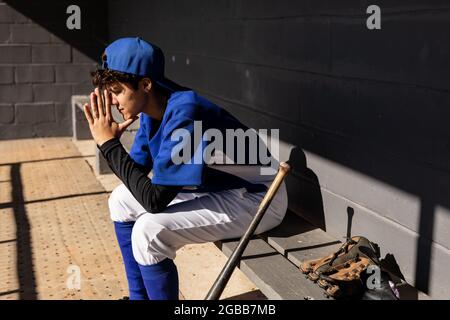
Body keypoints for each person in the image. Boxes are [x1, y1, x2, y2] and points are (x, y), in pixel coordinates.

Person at [83, 37, 288, 300]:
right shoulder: (153, 108)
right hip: (220, 189)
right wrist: (108, 142)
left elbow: (155, 201)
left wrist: (109, 144)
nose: (111, 101)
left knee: (149, 231)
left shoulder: (186, 111)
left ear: (145, 84)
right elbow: (134, 174)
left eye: (116, 91)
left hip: (259, 198)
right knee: (121, 200)